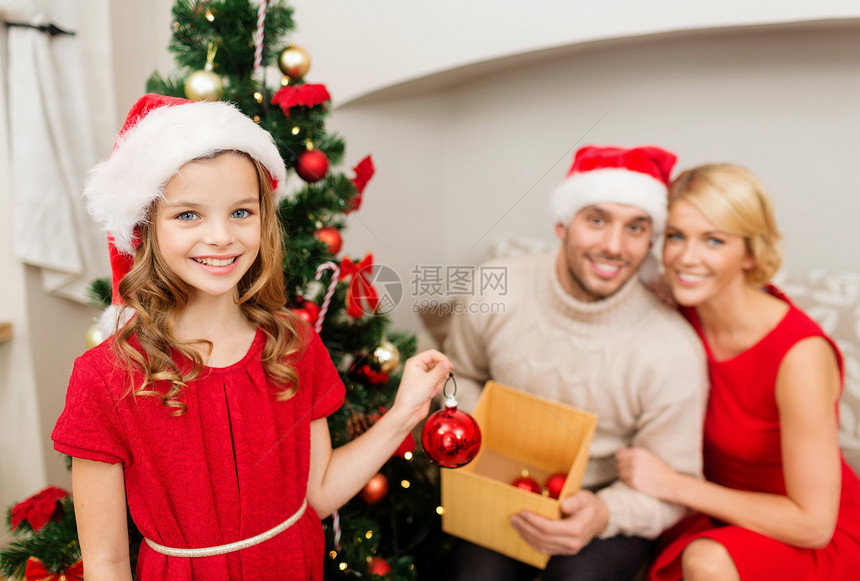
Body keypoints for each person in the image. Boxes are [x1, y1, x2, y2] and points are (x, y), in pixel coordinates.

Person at [51, 94, 452, 581]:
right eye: (188, 215)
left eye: (241, 212)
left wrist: (405, 412)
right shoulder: (106, 378)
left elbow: (320, 493)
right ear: (146, 229)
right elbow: (108, 563)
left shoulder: (294, 344)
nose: (221, 237)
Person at [443, 145, 709, 580]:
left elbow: (675, 484)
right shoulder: (497, 287)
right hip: (499, 483)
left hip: (605, 503)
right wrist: (473, 433)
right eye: (597, 220)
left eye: (636, 228)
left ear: (651, 240)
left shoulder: (671, 349)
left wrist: (605, 512)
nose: (613, 246)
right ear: (562, 223)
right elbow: (459, 372)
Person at [616, 163, 860, 580]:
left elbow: (813, 524)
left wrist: (673, 485)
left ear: (751, 253)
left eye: (714, 240)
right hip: (717, 514)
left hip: (805, 533)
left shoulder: (799, 355)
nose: (686, 258)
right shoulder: (675, 310)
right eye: (676, 236)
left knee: (707, 560)